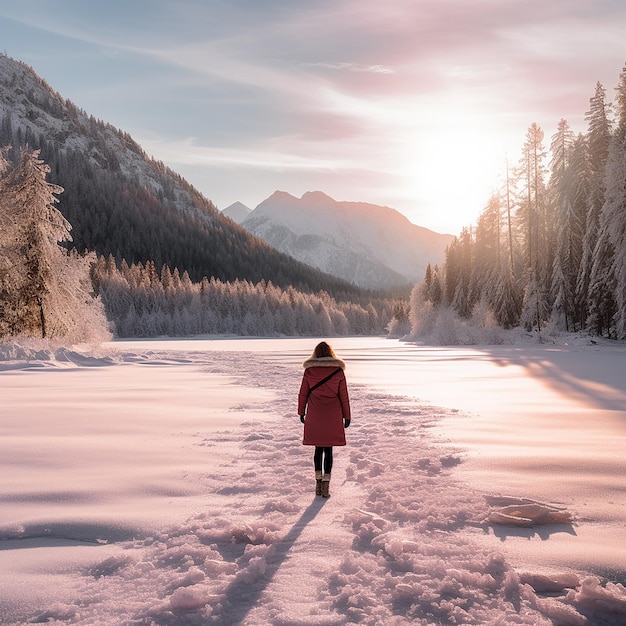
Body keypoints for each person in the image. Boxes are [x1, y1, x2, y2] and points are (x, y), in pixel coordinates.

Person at [298, 341, 351, 498]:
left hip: (315, 413)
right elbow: (344, 397)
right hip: (332, 414)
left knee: (317, 449)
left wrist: (301, 412)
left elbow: (303, 394)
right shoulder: (338, 371)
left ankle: (318, 483)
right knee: (328, 449)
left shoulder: (309, 371)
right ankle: (326, 486)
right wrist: (347, 416)